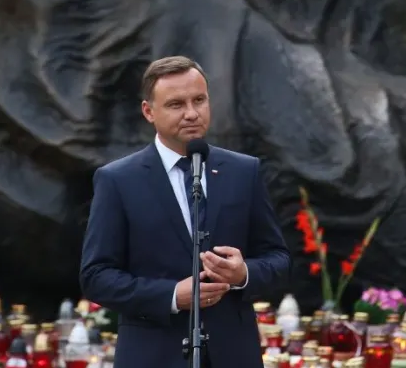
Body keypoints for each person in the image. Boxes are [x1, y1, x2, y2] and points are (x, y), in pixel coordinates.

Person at [80, 56, 290, 368]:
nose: (192, 113)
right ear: (148, 111)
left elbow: (278, 259)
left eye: (199, 100)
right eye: (176, 104)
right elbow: (96, 277)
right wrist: (171, 295)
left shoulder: (244, 171)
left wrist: (243, 273)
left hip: (233, 354)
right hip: (153, 355)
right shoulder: (118, 180)